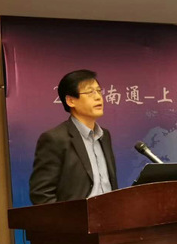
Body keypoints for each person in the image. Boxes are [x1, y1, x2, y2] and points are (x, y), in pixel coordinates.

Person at [29, 70, 118, 204]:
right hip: (76, 217)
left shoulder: (104, 136)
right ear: (71, 101)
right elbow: (41, 194)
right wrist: (67, 217)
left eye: (99, 91)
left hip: (108, 215)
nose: (98, 97)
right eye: (90, 92)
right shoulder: (55, 139)